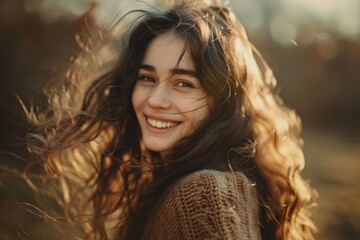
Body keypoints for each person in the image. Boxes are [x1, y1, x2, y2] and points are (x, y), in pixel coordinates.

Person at [24, 0, 317, 239]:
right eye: (147, 78)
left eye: (183, 83)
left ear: (223, 101)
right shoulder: (183, 180)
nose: (155, 99)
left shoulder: (204, 195)